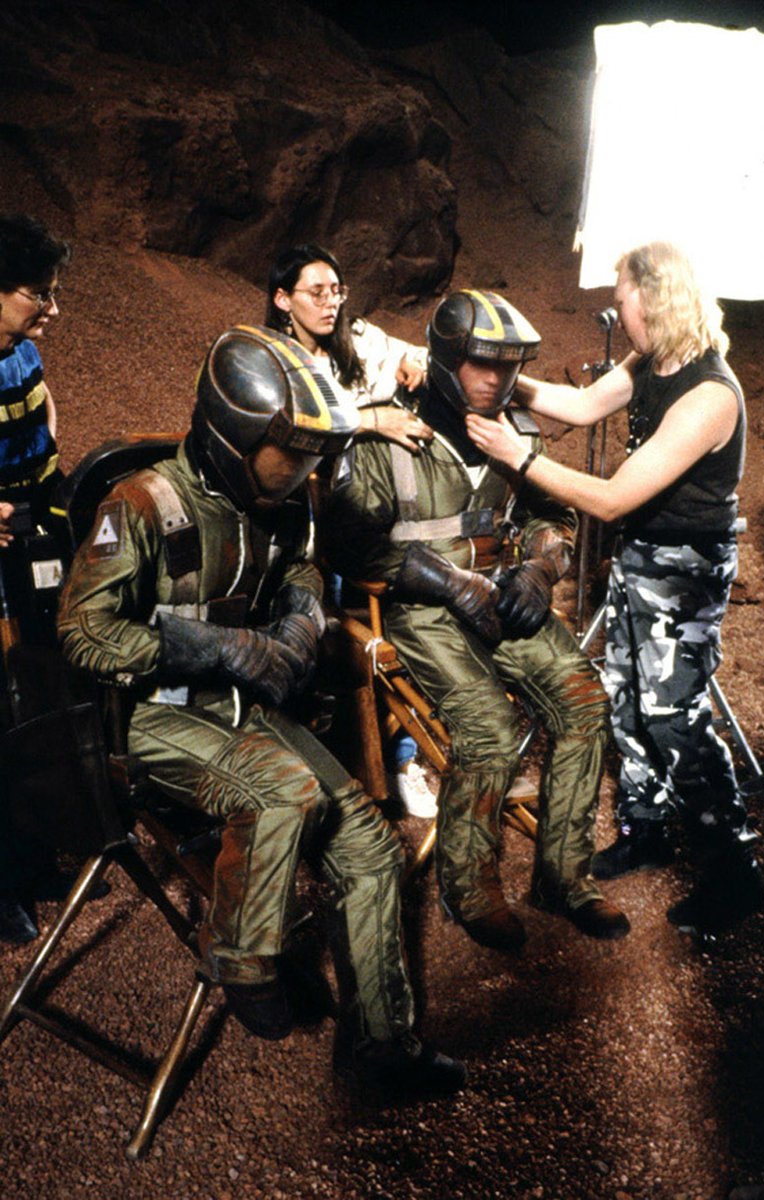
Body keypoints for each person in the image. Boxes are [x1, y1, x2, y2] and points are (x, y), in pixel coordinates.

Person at [57, 323, 466, 1095]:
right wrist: (209, 647)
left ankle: (382, 1048)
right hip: (155, 717)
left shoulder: (283, 502)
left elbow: (302, 567)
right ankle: (241, 955)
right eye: (286, 456)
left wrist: (302, 621)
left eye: (310, 459)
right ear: (230, 435)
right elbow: (83, 632)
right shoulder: (143, 504)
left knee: (371, 849)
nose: (299, 473)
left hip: (245, 709)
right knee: (287, 791)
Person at [466, 242, 764, 937]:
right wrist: (505, 382)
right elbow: (580, 406)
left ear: (653, 298)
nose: (616, 306)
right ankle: (646, 829)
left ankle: (733, 870)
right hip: (640, 557)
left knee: (673, 716)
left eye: (622, 294)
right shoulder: (651, 361)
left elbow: (610, 498)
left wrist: (520, 457)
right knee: (628, 702)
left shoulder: (709, 395)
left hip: (684, 573)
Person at [325, 288, 630, 951]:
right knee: (488, 728)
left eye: (508, 365)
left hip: (502, 595)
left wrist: (541, 567)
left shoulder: (517, 430)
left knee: (584, 700)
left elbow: (552, 514)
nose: (496, 380)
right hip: (420, 609)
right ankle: (467, 886)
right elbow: (348, 545)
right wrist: (442, 580)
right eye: (481, 363)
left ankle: (564, 876)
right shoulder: (388, 434)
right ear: (443, 359)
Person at [266, 243, 437, 818]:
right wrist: (371, 420)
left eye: (336, 291)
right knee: (309, 639)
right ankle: (312, 771)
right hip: (295, 526)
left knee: (390, 631)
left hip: (359, 518)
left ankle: (401, 760)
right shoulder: (269, 356)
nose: (330, 303)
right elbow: (292, 426)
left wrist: (415, 364)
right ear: (283, 299)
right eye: (316, 292)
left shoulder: (357, 339)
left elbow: (418, 353)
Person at [0, 213, 74, 946]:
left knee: (41, 684)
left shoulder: (20, 350)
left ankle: (39, 849)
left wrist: (48, 428)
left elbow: (39, 398)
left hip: (30, 526)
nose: (51, 307)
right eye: (38, 293)